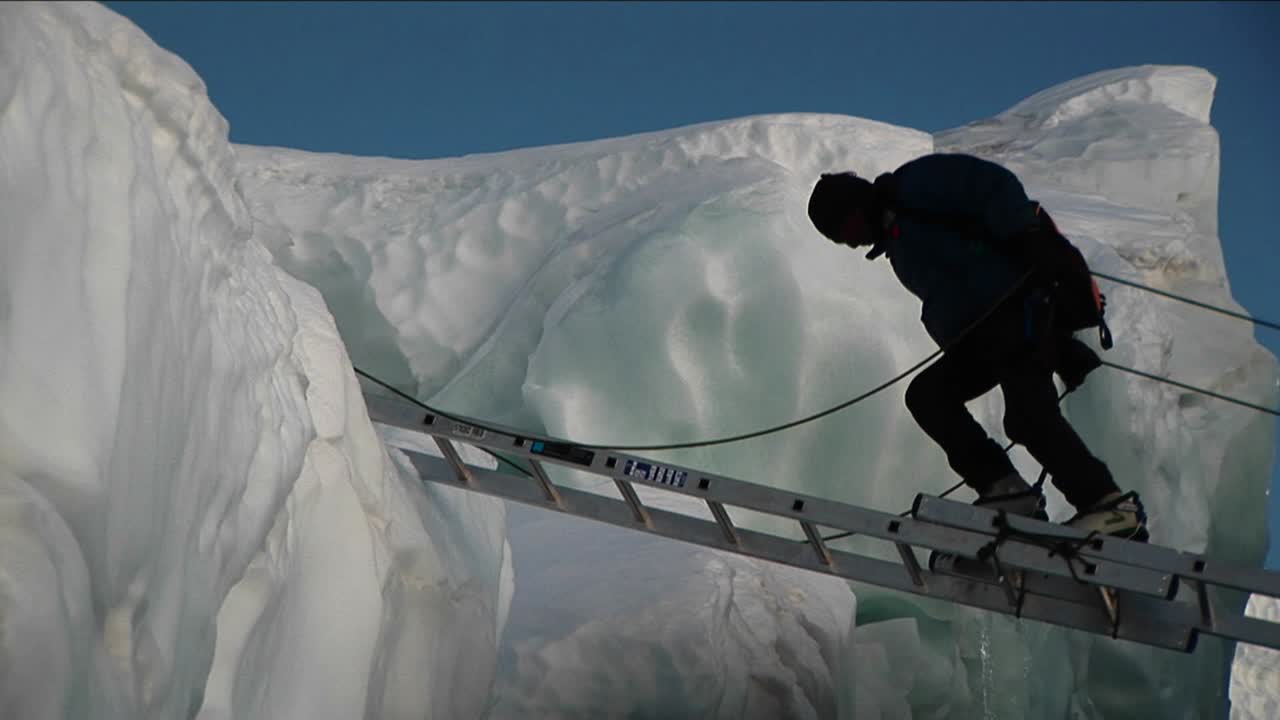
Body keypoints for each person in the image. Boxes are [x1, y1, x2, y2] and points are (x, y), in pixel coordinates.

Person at [807, 153, 1147, 541]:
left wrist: (1024, 238)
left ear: (853, 208)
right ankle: (1007, 491)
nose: (848, 243)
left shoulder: (914, 185)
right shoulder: (899, 236)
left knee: (1028, 417)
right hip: (987, 335)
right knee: (929, 397)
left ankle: (1108, 505)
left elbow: (993, 183)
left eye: (840, 232)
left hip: (1019, 310)